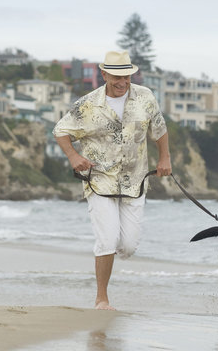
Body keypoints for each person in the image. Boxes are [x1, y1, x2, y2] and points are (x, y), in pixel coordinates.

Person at [53, 50, 172, 310]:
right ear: (104, 74)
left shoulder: (145, 97)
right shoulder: (86, 104)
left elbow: (160, 130)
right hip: (99, 181)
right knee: (106, 239)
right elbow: (60, 131)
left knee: (127, 246)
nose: (122, 81)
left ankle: (109, 251)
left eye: (126, 76)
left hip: (135, 180)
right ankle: (102, 298)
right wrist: (74, 157)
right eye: (116, 76)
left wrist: (165, 159)